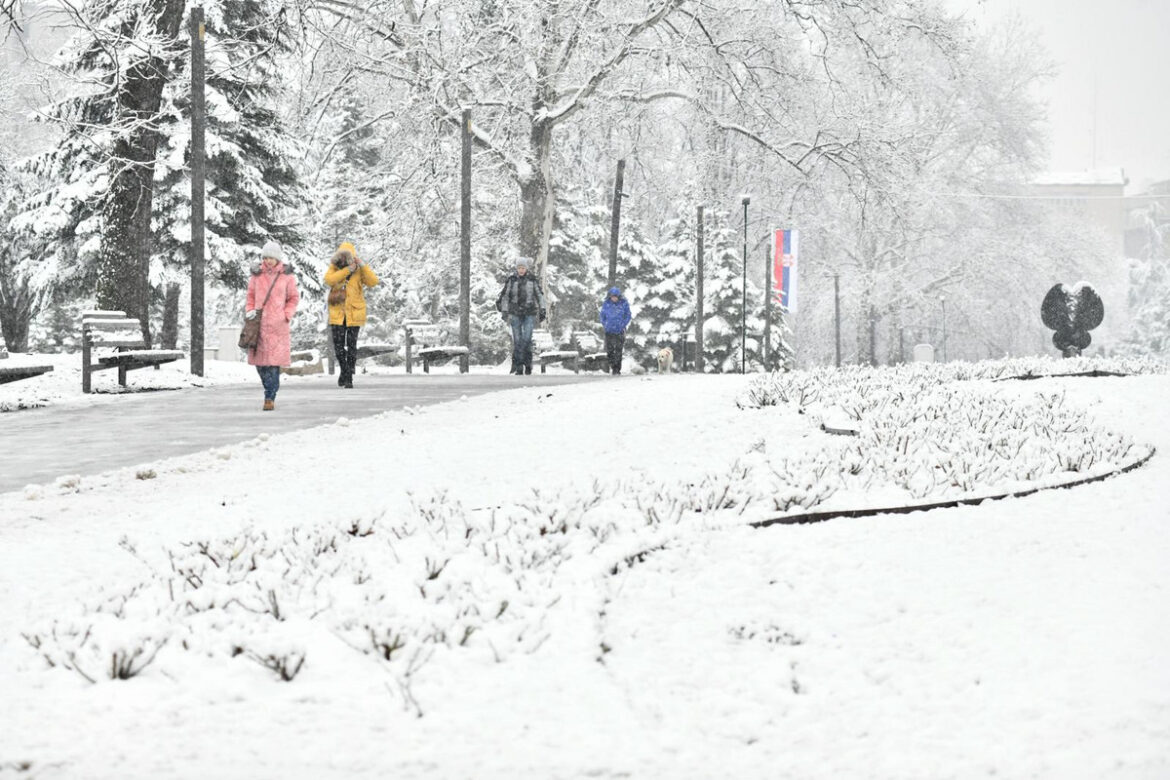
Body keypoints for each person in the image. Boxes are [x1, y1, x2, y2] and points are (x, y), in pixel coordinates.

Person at [246, 240, 300, 410]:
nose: (268, 261)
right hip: (259, 323)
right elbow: (250, 296)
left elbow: (293, 298)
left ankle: (270, 396)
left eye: (271, 257)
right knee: (260, 364)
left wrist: (287, 314)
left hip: (278, 324)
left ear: (278, 258)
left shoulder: (287, 276)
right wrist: (250, 311)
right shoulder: (256, 276)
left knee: (273, 362)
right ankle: (269, 388)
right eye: (266, 257)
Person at [323, 241, 379, 388]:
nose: (345, 259)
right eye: (342, 256)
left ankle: (348, 376)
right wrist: (347, 270)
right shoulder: (334, 268)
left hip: (354, 312)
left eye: (348, 257)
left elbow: (373, 281)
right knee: (339, 346)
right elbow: (329, 280)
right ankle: (345, 371)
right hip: (337, 313)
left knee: (352, 345)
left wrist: (362, 265)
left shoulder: (359, 270)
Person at [495, 257, 546, 375]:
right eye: (519, 268)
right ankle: (518, 366)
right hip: (515, 313)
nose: (521, 270)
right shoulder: (511, 280)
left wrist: (542, 309)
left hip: (529, 313)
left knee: (527, 339)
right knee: (517, 340)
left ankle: (528, 364)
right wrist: (505, 311)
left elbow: (539, 295)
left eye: (523, 268)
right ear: (516, 269)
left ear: (526, 268)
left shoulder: (532, 280)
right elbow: (506, 296)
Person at [599, 286, 632, 375]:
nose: (614, 298)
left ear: (618, 296)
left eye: (615, 296)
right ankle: (613, 365)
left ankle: (617, 369)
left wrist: (622, 324)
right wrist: (605, 324)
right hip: (609, 330)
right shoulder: (606, 303)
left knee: (618, 350)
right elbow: (602, 315)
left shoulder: (624, 303)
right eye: (612, 296)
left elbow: (628, 315)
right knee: (610, 350)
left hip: (620, 330)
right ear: (610, 296)